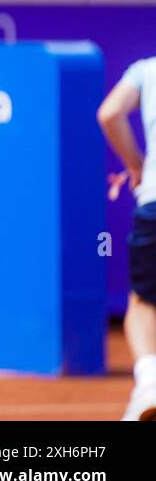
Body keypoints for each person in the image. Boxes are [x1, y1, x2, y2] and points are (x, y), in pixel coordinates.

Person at [97, 56, 156, 421]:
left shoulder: (146, 69)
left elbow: (109, 114)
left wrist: (137, 165)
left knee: (144, 302)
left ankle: (150, 385)